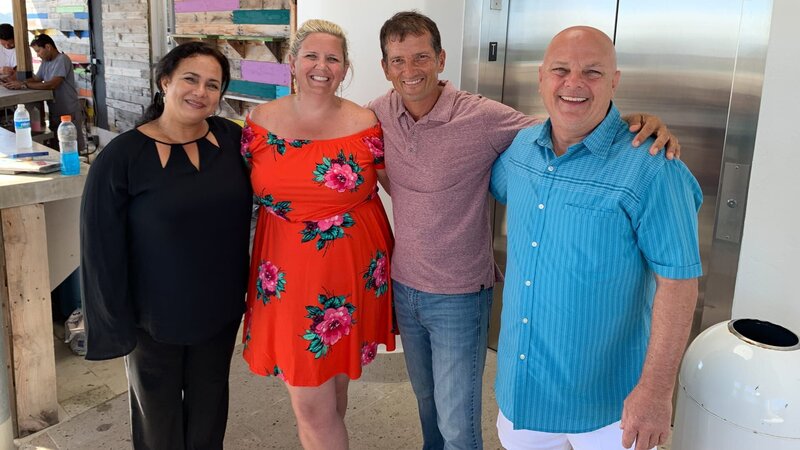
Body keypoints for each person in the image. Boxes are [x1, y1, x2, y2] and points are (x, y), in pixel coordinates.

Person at [367, 11, 681, 450]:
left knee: (458, 422)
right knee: (426, 401)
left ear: (440, 59)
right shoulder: (376, 115)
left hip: (459, 292)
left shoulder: (481, 116)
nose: (410, 70)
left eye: (421, 57)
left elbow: (561, 121)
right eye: (398, 61)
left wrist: (631, 121)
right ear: (384, 68)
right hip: (405, 283)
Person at [489, 26, 701, 450]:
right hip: (523, 395)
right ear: (541, 77)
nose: (573, 84)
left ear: (615, 81)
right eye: (561, 70)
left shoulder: (654, 168)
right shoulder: (519, 150)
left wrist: (657, 393)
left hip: (612, 409)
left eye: (592, 72)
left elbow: (678, 286)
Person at [80, 42, 252, 449]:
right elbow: (99, 246)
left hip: (220, 307)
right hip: (152, 317)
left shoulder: (232, 139)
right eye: (190, 79)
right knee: (158, 417)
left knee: (210, 405)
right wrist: (112, 319)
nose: (201, 92)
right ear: (165, 81)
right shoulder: (122, 156)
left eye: (213, 84)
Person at [240, 19, 395, 450]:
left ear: (345, 68)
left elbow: (403, 188)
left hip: (353, 272)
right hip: (287, 276)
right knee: (313, 402)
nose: (321, 66)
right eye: (311, 55)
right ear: (292, 63)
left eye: (333, 58)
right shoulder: (258, 123)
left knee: (332, 393)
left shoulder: (367, 123)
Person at [3, 33, 85, 151]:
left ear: (48, 47)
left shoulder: (62, 59)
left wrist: (24, 84)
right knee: (58, 145)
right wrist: (16, 82)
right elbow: (37, 79)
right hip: (55, 110)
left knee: (72, 146)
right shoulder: (46, 61)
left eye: (38, 51)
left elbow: (52, 84)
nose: (37, 55)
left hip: (68, 110)